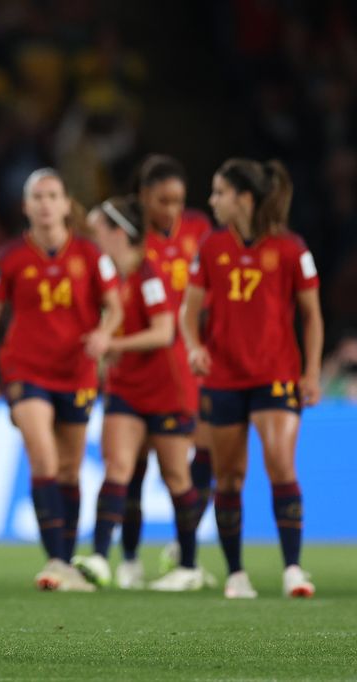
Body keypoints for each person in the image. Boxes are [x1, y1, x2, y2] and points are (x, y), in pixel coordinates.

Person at [0, 168, 123, 592]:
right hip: (25, 370)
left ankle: (66, 558)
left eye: (52, 195)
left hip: (76, 372)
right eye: (37, 196)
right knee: (43, 457)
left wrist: (104, 333)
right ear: (26, 205)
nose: (45, 203)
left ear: (64, 204)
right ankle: (57, 559)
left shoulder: (92, 256)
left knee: (70, 470)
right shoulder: (9, 258)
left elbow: (114, 306)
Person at [181, 158, 322, 599]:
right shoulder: (210, 246)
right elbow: (189, 313)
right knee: (228, 478)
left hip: (275, 374)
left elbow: (312, 316)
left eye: (219, 192)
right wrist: (194, 346)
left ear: (243, 197)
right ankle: (236, 573)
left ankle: (293, 569)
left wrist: (312, 371)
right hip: (223, 377)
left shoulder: (291, 248)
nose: (212, 200)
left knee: (280, 463)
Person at [73, 196, 205, 591]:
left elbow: (165, 332)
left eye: (99, 232)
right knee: (118, 468)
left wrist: (114, 345)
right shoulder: (113, 277)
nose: (95, 241)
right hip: (126, 387)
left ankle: (189, 566)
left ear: (118, 234)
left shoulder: (148, 275)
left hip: (166, 387)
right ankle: (100, 558)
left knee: (176, 476)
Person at [117, 155, 214, 588]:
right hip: (143, 362)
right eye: (163, 201)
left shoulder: (199, 230)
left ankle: (185, 547)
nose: (172, 210)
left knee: (202, 455)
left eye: (178, 201)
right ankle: (131, 556)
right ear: (144, 197)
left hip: (191, 359)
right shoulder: (132, 238)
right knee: (134, 465)